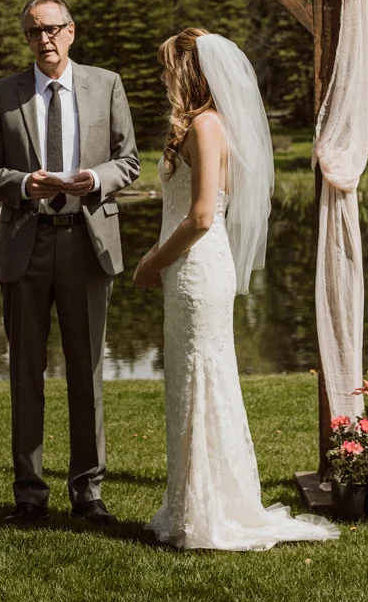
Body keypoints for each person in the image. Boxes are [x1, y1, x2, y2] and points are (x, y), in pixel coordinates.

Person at [131, 28, 340, 551]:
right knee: (192, 378)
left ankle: (210, 512)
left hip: (197, 265)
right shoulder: (204, 125)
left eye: (166, 69)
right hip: (193, 267)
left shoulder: (205, 126)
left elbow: (202, 215)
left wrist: (151, 262)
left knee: (203, 377)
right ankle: (190, 505)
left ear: (186, 72)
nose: (162, 78)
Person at [0, 0, 141, 526]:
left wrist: (95, 179)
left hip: (86, 242)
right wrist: (25, 183)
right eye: (32, 32)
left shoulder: (106, 84)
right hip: (27, 242)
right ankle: (29, 494)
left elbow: (129, 161)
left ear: (72, 31)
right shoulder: (3, 94)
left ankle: (88, 493)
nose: (43, 39)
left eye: (52, 29)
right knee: (26, 371)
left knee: (86, 371)